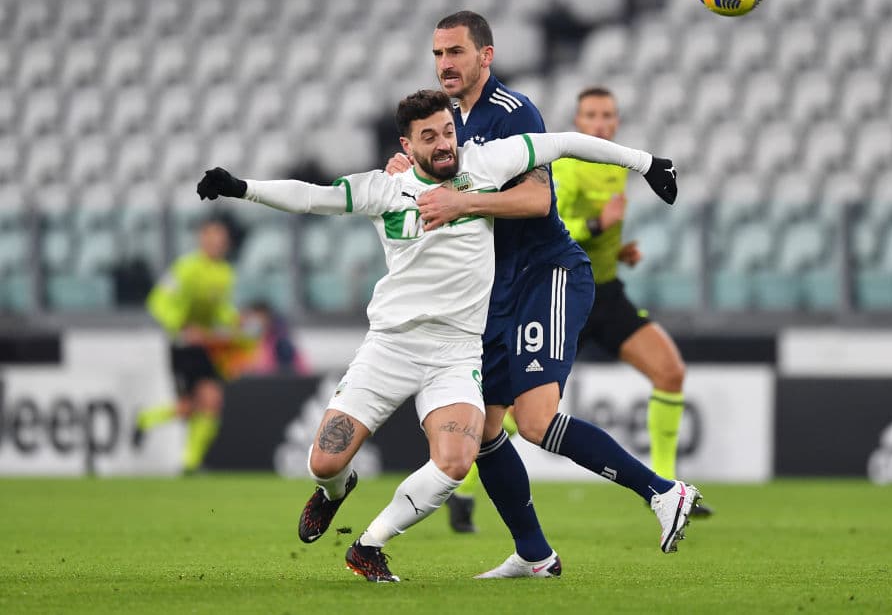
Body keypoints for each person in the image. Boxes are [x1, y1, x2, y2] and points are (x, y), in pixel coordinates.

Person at [195, 89, 679, 582]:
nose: (445, 143)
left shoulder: (485, 164)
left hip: (457, 352)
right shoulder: (385, 189)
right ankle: (334, 491)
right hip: (390, 347)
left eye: (448, 130)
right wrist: (241, 187)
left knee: (455, 463)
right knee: (324, 463)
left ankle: (369, 544)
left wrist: (646, 163)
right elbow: (311, 197)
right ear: (407, 146)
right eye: (429, 137)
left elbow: (565, 142)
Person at [388, 11, 703, 577]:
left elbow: (536, 201)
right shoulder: (446, 120)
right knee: (485, 427)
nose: (445, 64)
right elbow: (438, 180)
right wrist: (405, 169)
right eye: (437, 54)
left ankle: (663, 492)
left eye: (456, 52)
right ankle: (534, 553)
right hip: (496, 288)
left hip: (546, 272)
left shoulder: (513, 112)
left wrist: (463, 203)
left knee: (534, 421)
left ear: (486, 55)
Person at [552, 87, 712, 518]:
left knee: (670, 372)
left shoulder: (615, 166)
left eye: (607, 115)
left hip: (606, 292)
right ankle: (463, 491)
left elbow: (594, 237)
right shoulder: (567, 165)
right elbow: (553, 225)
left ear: (617, 121)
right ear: (578, 121)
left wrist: (617, 251)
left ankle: (667, 489)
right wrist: (597, 224)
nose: (600, 123)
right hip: (565, 296)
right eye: (591, 115)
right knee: (523, 412)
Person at [134, 219, 246, 473]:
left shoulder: (225, 273)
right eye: (212, 238)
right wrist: (182, 327)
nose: (217, 244)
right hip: (183, 346)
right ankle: (146, 419)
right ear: (202, 240)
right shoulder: (185, 268)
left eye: (221, 240)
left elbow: (220, 309)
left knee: (212, 401)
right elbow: (158, 302)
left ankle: (190, 464)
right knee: (187, 407)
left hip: (205, 346)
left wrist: (233, 320)